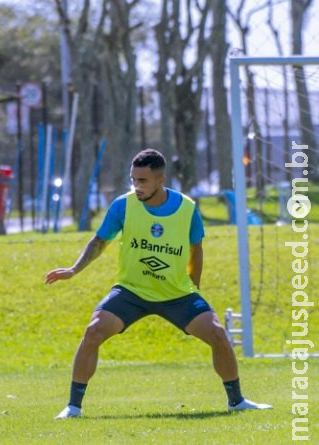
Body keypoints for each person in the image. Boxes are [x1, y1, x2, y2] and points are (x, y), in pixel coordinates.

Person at [46, 149, 271, 419]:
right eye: (133, 180)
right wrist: (73, 270)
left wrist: (193, 284)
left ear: (160, 180)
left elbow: (195, 247)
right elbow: (99, 241)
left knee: (217, 335)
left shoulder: (187, 207)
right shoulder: (123, 205)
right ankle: (73, 407)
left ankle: (237, 402)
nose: (136, 186)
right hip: (131, 291)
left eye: (142, 181)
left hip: (177, 294)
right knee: (93, 331)